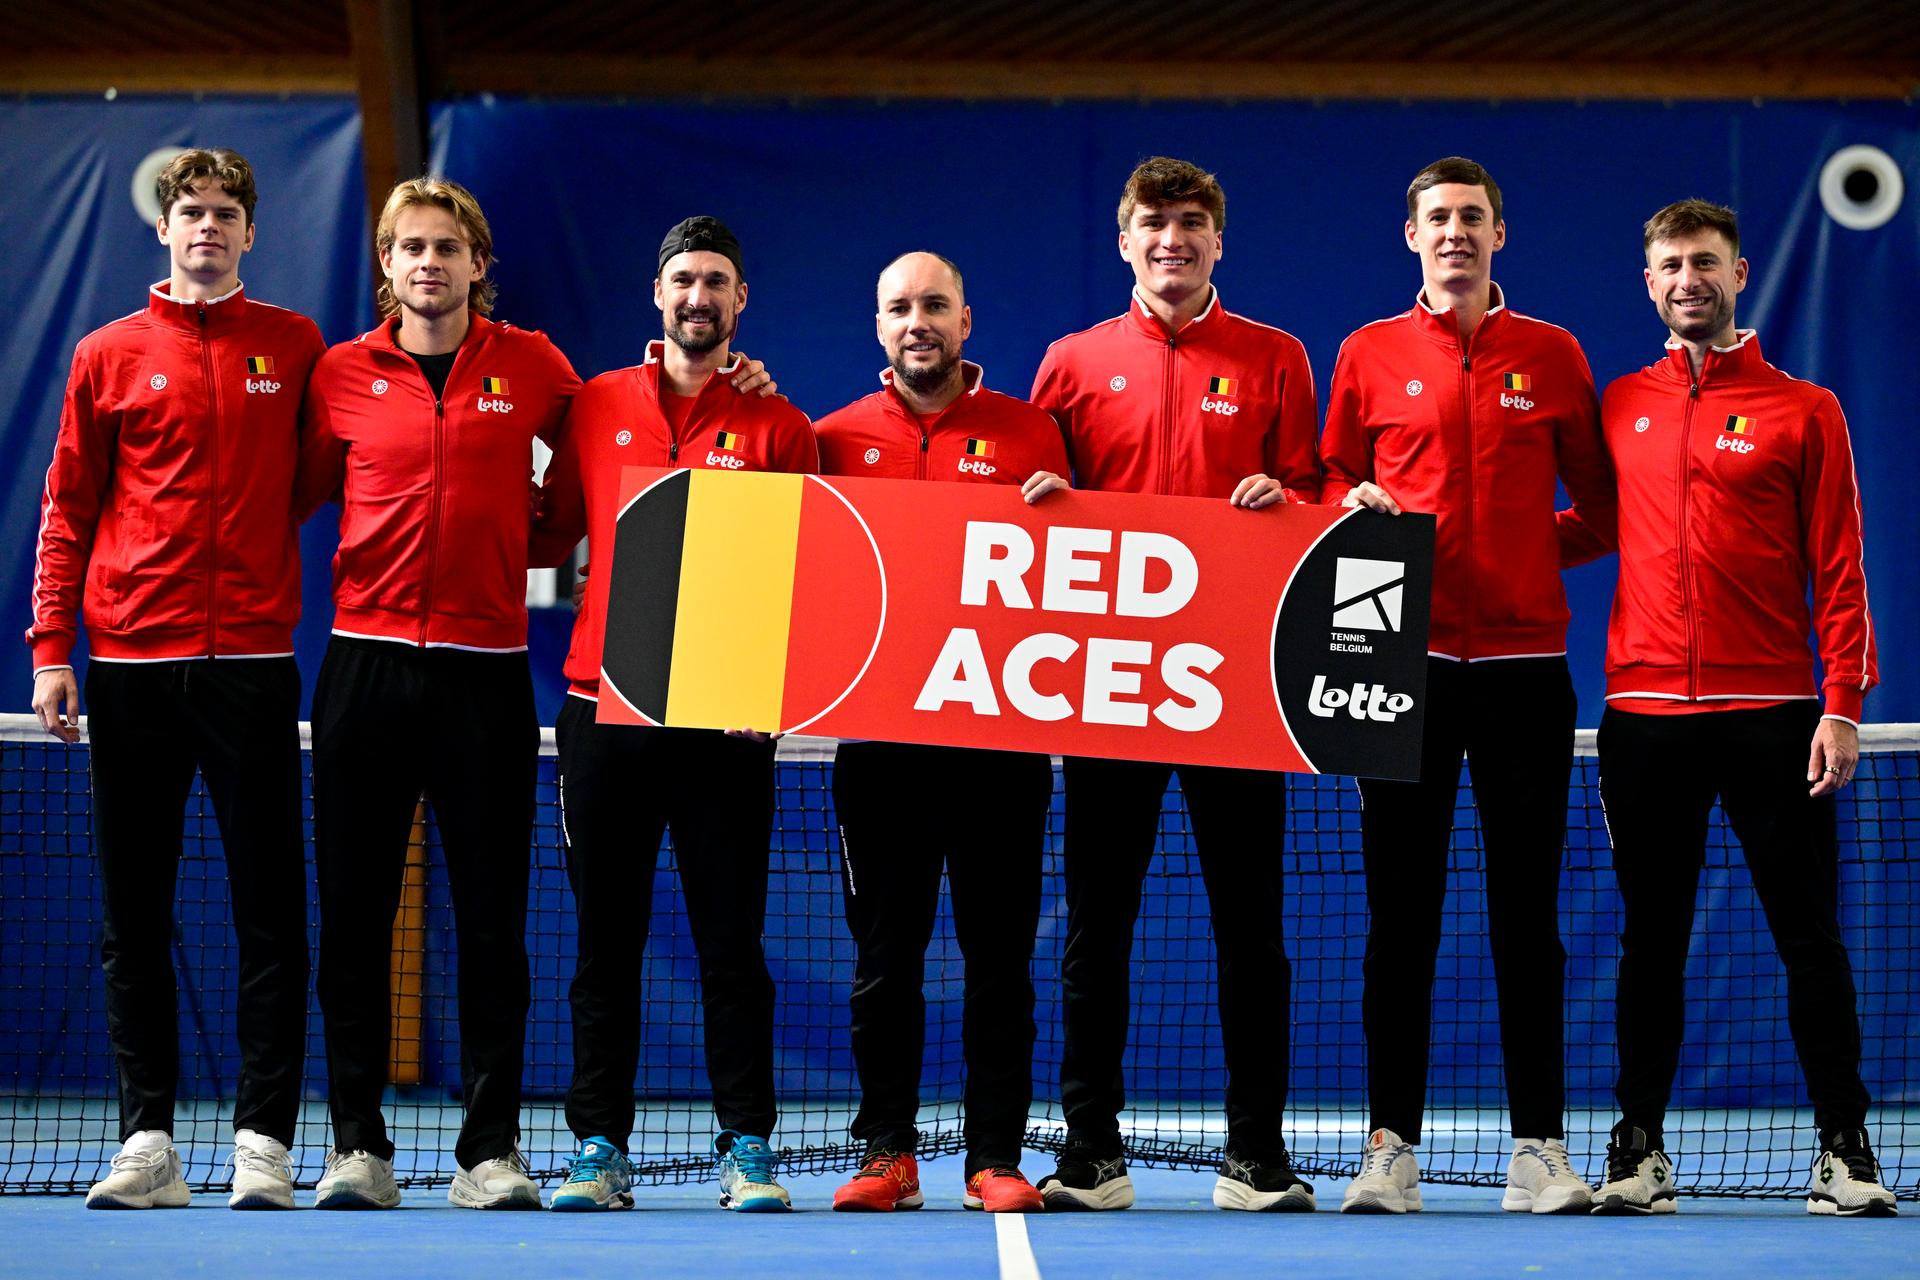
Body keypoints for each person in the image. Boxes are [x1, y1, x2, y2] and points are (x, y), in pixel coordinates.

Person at [1573, 199, 1894, 1218]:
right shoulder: (1618, 402)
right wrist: (1443, 552)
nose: (1686, 277)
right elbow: (1582, 528)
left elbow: (1840, 567)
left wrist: (1840, 702)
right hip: (1644, 718)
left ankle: (1845, 1149)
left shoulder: (1809, 409)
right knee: (1649, 940)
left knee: (1810, 936)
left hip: (1775, 716)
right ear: (1649, 280)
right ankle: (1638, 1147)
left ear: (1740, 272)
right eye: (1668, 262)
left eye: (1703, 260)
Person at [27, 147, 322, 1212]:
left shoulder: (293, 348)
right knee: (133, 916)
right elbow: (67, 507)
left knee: (271, 916)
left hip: (250, 670)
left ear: (250, 232)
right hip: (132, 674)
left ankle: (262, 1141)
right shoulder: (107, 355)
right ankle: (147, 1138)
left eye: (225, 213)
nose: (207, 228)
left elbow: (322, 475)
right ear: (164, 227)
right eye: (190, 212)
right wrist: (52, 647)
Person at [1318, 156, 1614, 1215]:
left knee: (1527, 916)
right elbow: (1328, 491)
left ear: (1501, 234)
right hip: (1405, 669)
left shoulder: (1554, 354)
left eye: (1472, 217)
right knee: (1401, 917)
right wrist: (1350, 506)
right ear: (1411, 236)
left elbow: (1605, 509)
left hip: (1530, 673)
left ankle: (1539, 1148)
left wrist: (1531, 556)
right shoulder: (1367, 353)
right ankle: (1388, 1147)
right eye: (1437, 217)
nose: (1455, 232)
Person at [1028, 156, 1321, 1212]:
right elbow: (1031, 510)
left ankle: (1256, 1154)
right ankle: (1091, 1154)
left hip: (1237, 690)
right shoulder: (1069, 363)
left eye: (1193, 223)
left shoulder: (1277, 358)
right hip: (1108, 691)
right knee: (1095, 927)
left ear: (1218, 241)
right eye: (1154, 224)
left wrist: (1282, 496)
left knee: (1253, 929)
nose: (1173, 240)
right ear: (1124, 239)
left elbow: (1318, 497)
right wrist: (1044, 496)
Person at [296, 177, 580, 1210]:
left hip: (487, 672)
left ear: (477, 263)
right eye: (409, 246)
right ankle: (355, 1146)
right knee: (356, 917)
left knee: (494, 920)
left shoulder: (538, 368)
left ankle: (487, 1151)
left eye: (446, 247)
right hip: (362, 667)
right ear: (386, 264)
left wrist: (515, 549)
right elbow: (298, 494)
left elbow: (572, 500)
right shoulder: (338, 373)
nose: (428, 262)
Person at [530, 216, 815, 1213]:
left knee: (730, 942)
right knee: (606, 942)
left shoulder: (781, 426)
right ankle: (599, 1146)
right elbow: (543, 529)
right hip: (601, 711)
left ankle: (747, 1145)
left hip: (726, 721)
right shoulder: (595, 404)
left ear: (742, 304)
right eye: (685, 279)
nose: (700, 296)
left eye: (719, 282)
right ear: (659, 293)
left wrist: (766, 690)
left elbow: (800, 579)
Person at [815, 252, 1067, 1214]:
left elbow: (1089, 570)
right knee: (886, 962)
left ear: (967, 320)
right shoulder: (830, 438)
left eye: (933, 306)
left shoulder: (1034, 433)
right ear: (878, 327)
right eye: (898, 308)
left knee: (1000, 962)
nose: (916, 321)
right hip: (880, 755)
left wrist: (1065, 514)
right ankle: (887, 1153)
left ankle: (993, 1157)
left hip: (1000, 751)